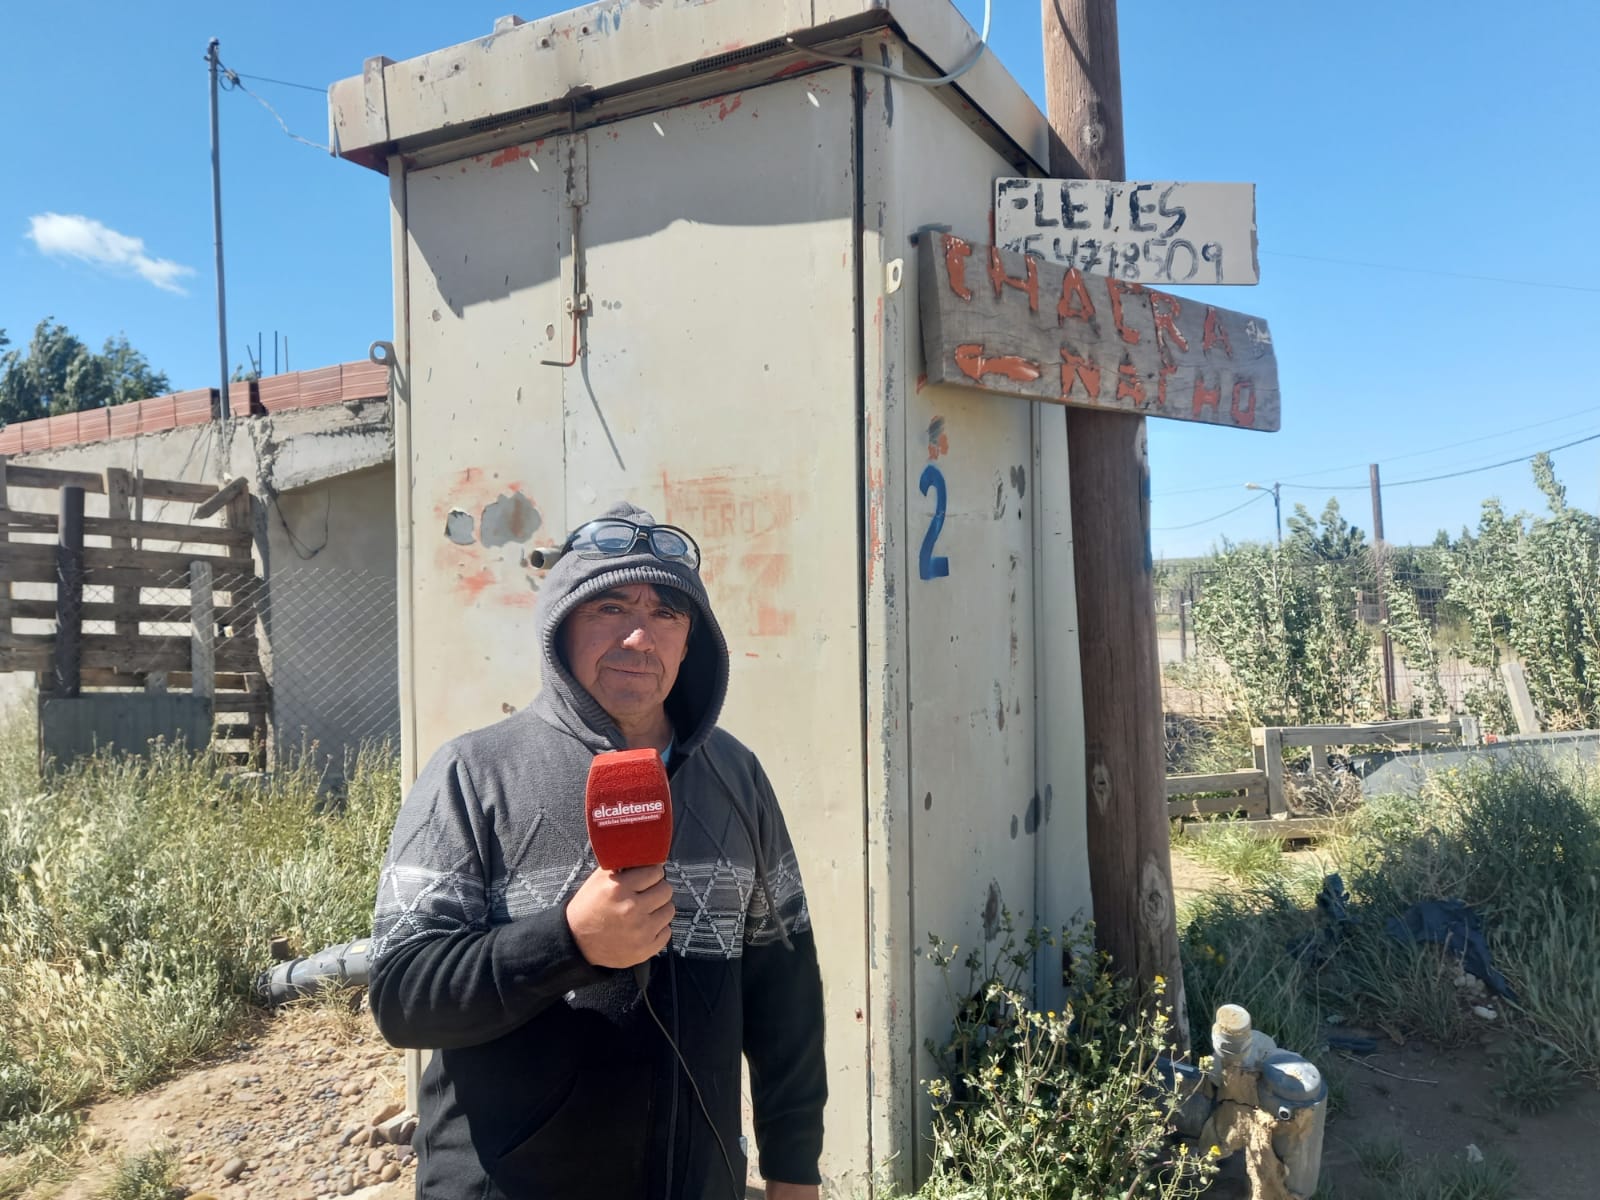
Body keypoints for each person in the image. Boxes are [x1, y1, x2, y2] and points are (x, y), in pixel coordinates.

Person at [368, 501, 827, 1200]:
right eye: (610, 607)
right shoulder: (472, 774)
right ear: (561, 623)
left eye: (665, 613)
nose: (640, 637)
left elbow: (783, 988)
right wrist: (569, 941)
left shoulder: (738, 778)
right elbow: (404, 996)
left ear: (689, 639)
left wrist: (793, 1170)